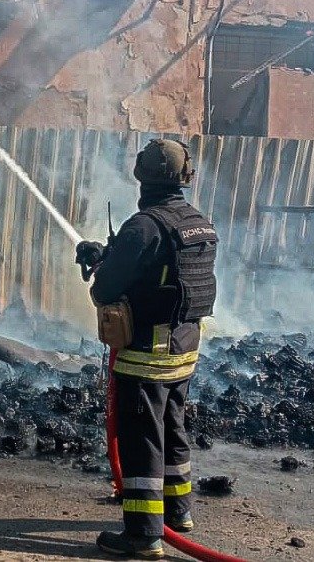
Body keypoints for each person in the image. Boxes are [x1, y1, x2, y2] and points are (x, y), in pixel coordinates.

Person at [75, 139, 218, 560]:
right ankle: (178, 513)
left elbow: (105, 290)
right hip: (183, 351)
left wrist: (102, 265)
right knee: (173, 429)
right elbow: (162, 272)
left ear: (142, 175)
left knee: (142, 441)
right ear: (185, 177)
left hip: (146, 356)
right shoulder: (198, 223)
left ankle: (143, 535)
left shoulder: (143, 226)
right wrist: (110, 254)